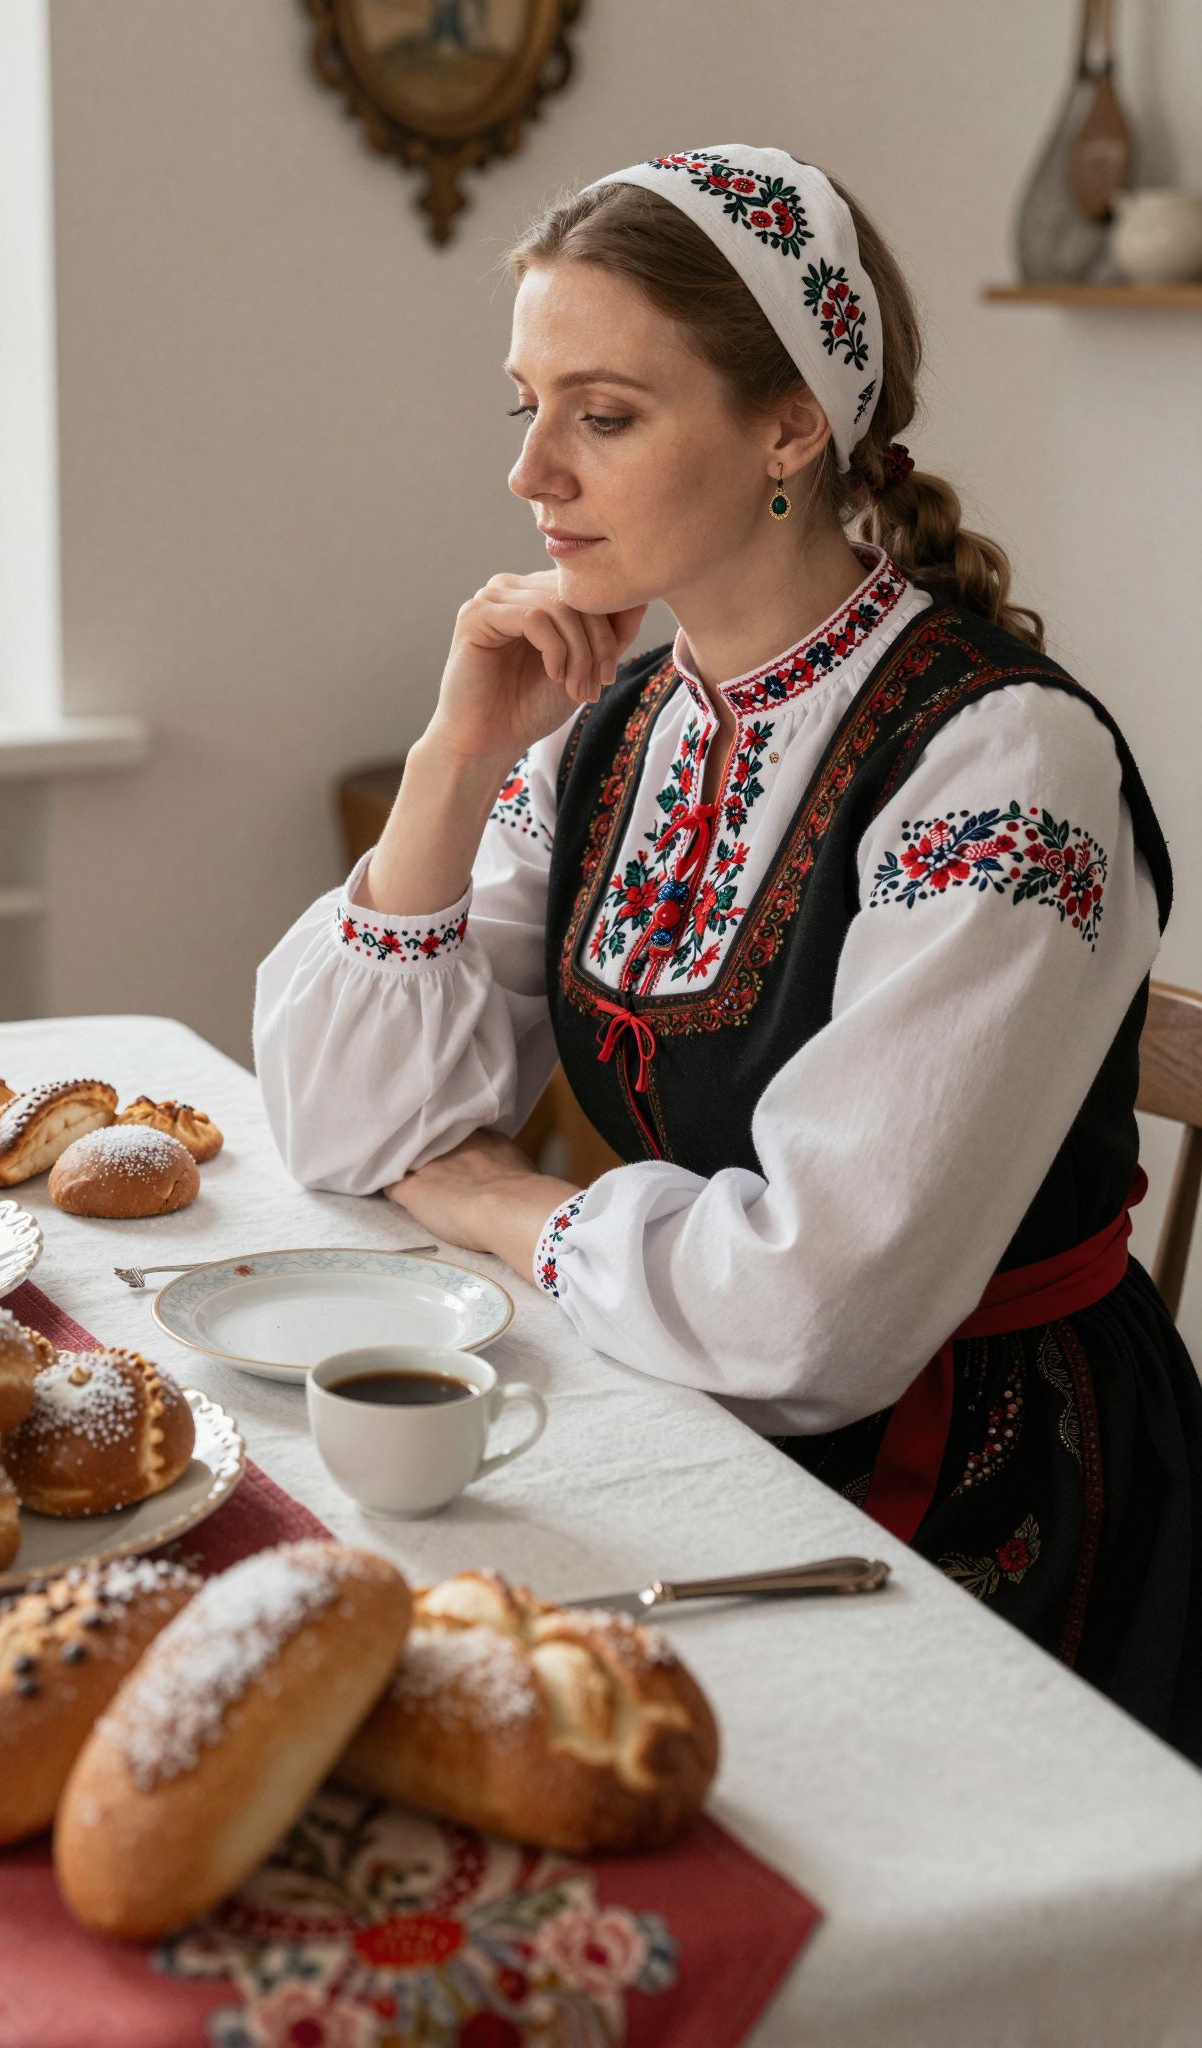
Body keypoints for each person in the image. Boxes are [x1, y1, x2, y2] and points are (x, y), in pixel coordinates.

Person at [254, 145, 1202, 1760]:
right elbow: (342, 1122)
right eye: (525, 407)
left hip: (989, 1499)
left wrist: (497, 1199)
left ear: (790, 427)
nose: (532, 474)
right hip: (694, 1405)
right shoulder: (614, 727)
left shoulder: (1000, 764)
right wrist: (454, 755)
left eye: (604, 415)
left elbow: (815, 1314)